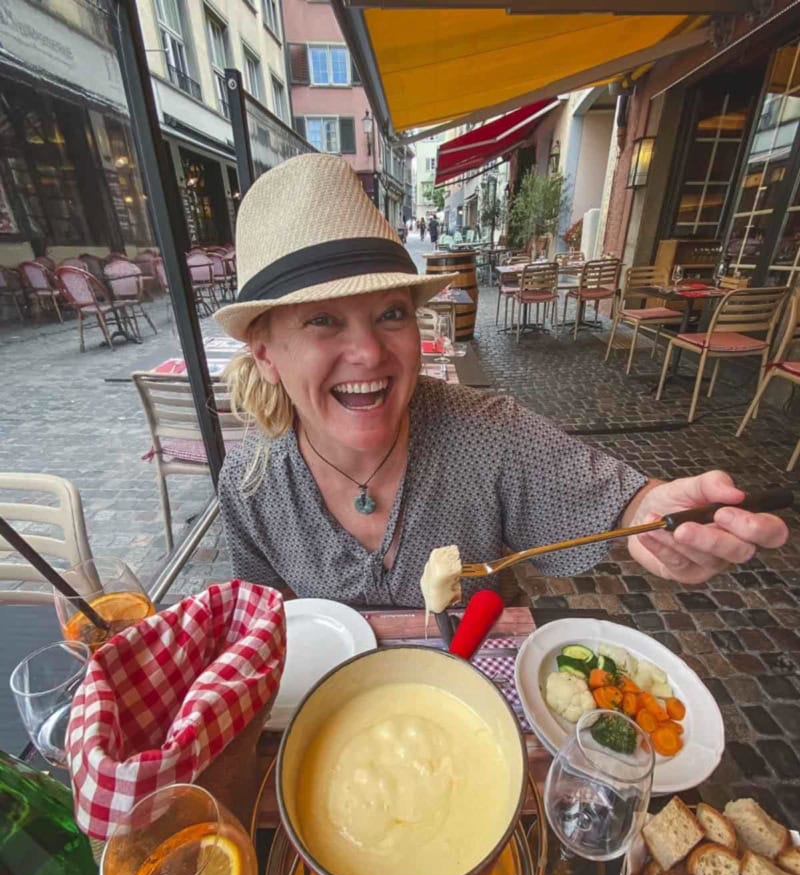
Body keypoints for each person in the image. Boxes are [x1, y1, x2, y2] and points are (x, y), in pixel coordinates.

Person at [215, 154, 787, 608]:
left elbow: (626, 503)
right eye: (322, 320)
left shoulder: (486, 434)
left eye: (391, 313)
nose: (368, 353)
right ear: (265, 355)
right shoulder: (250, 484)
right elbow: (265, 618)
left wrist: (654, 519)